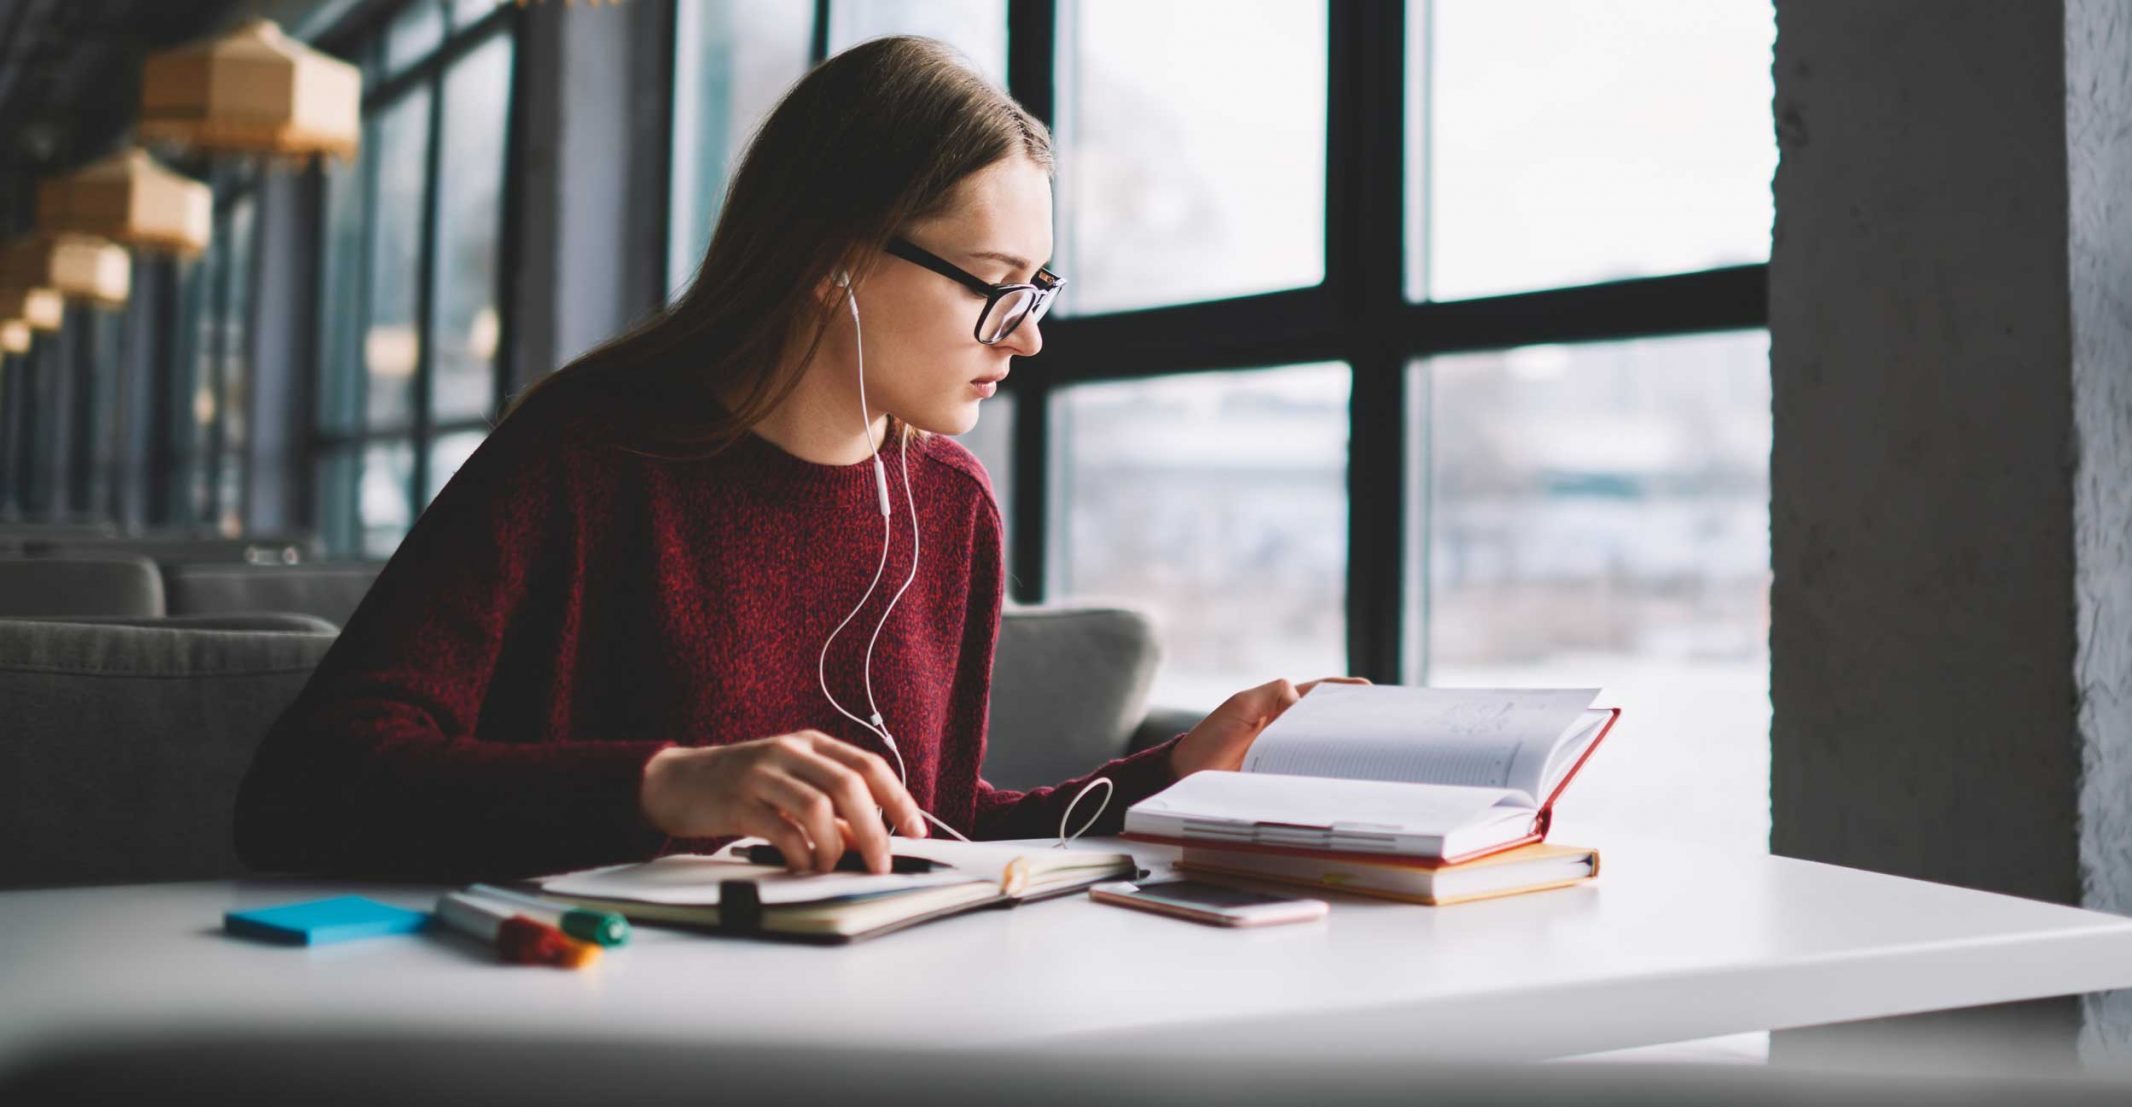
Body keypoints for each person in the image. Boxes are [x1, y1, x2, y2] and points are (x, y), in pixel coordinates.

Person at [233, 36, 1360, 882]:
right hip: (588, 1018)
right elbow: (309, 787)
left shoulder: (945, 506)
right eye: (994, 285)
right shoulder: (589, 451)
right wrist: (672, 784)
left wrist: (1172, 771)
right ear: (834, 259)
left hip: (852, 1026)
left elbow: (936, 832)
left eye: (1040, 287)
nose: (1027, 335)